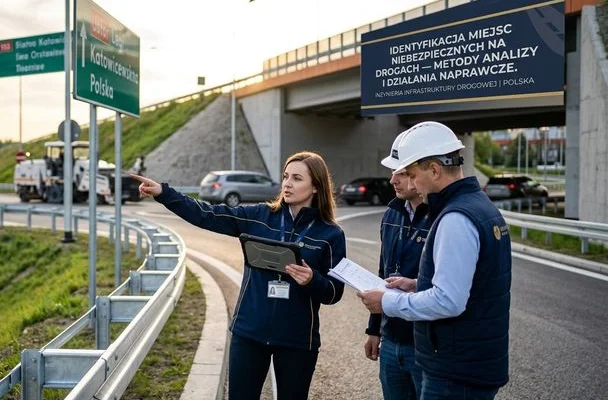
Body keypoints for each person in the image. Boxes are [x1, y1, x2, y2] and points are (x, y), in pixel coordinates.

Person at [132, 152, 346, 400]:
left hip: (297, 340)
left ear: (317, 187)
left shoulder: (331, 235)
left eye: (297, 178)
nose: (287, 184)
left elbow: (334, 293)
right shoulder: (259, 216)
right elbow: (207, 214)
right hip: (249, 333)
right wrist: (164, 193)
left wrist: (312, 281)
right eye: (286, 176)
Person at [357, 121, 512, 400]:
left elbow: (448, 301)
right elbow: (469, 283)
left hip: (456, 370)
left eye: (412, 175)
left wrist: (387, 302)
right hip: (469, 363)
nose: (411, 183)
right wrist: (418, 284)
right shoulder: (478, 207)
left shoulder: (456, 217)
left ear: (434, 170)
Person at [364, 131, 431, 400]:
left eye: (400, 174)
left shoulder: (445, 217)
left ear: (421, 173)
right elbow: (383, 275)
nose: (392, 180)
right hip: (391, 340)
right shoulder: (391, 213)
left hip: (425, 343)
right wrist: (373, 329)